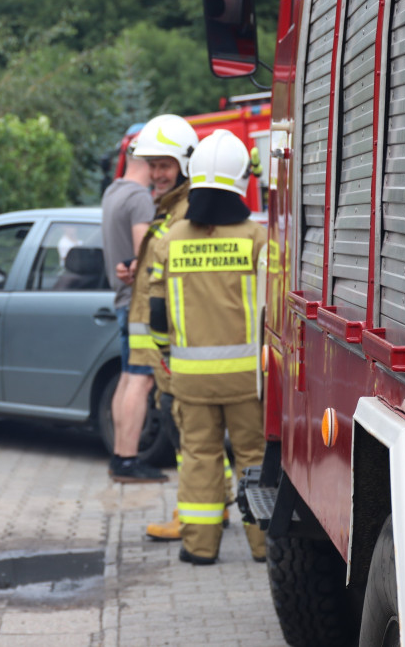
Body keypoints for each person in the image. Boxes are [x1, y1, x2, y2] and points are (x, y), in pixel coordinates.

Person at [148, 130, 267, 564]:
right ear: (241, 178)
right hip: (247, 379)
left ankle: (199, 547)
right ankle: (263, 546)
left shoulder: (171, 238)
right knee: (254, 458)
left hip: (191, 380)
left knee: (199, 457)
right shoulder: (256, 238)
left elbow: (156, 314)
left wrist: (166, 355)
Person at [100, 135, 167, 483]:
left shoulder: (113, 192)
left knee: (128, 377)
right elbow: (146, 256)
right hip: (138, 303)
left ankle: (119, 455)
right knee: (141, 380)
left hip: (121, 300)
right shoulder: (139, 198)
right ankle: (127, 459)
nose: (159, 171)